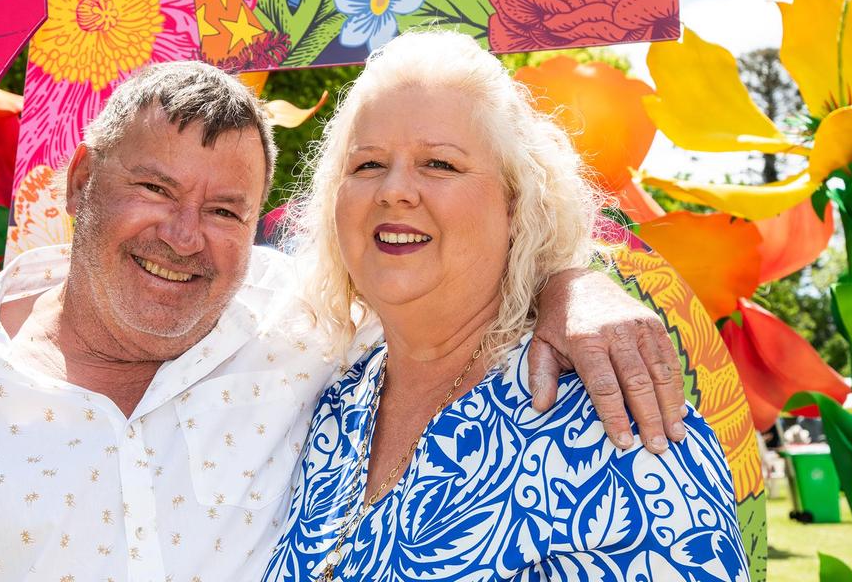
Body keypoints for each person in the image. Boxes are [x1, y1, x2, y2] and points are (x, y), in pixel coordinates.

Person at [0, 60, 687, 580]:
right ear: (79, 189)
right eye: (153, 188)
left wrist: (574, 282)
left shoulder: (297, 325)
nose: (185, 238)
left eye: (225, 210)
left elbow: (449, 267)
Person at [262, 30, 748, 581]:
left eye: (440, 164)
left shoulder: (617, 425)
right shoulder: (331, 405)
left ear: (518, 207)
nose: (393, 190)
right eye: (367, 164)